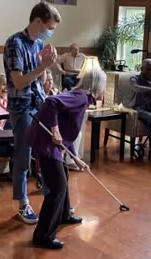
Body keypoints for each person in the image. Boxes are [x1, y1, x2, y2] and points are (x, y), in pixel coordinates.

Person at [28, 69, 106, 249]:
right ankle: (43, 236)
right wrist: (54, 130)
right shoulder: (80, 98)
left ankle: (64, 215)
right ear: (96, 87)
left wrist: (76, 157)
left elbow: (67, 132)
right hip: (46, 142)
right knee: (58, 187)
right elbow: (50, 102)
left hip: (50, 143)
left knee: (63, 175)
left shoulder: (81, 99)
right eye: (103, 87)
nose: (104, 91)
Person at [3, 2, 61, 225]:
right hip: (22, 107)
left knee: (48, 151)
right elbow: (18, 82)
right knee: (23, 156)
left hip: (39, 104)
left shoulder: (38, 44)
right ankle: (22, 203)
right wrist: (41, 67)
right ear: (38, 21)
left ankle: (53, 199)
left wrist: (47, 65)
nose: (50, 32)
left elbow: (43, 83)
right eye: (50, 27)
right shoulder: (14, 43)